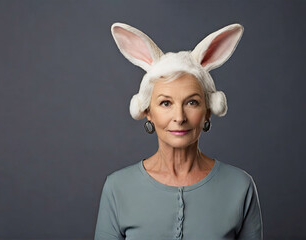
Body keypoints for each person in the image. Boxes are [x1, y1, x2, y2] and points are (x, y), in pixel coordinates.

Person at [94, 23, 263, 240]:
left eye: (192, 102)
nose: (180, 117)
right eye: (165, 103)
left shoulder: (240, 187)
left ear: (208, 111)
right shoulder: (117, 188)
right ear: (147, 112)